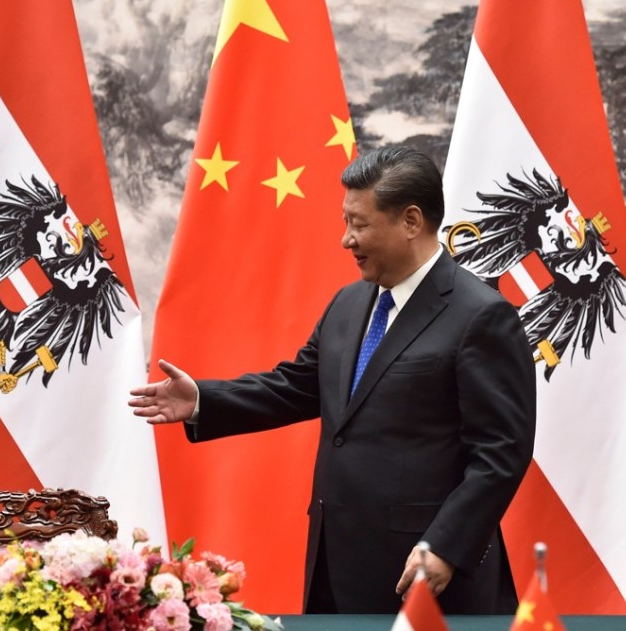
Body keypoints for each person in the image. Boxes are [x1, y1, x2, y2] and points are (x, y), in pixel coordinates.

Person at [130, 145, 536, 614]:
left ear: (410, 221)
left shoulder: (482, 315)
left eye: (359, 224)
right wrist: (203, 399)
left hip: (426, 572)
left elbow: (502, 452)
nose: (346, 239)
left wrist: (446, 545)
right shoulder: (348, 303)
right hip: (334, 562)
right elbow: (297, 386)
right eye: (345, 221)